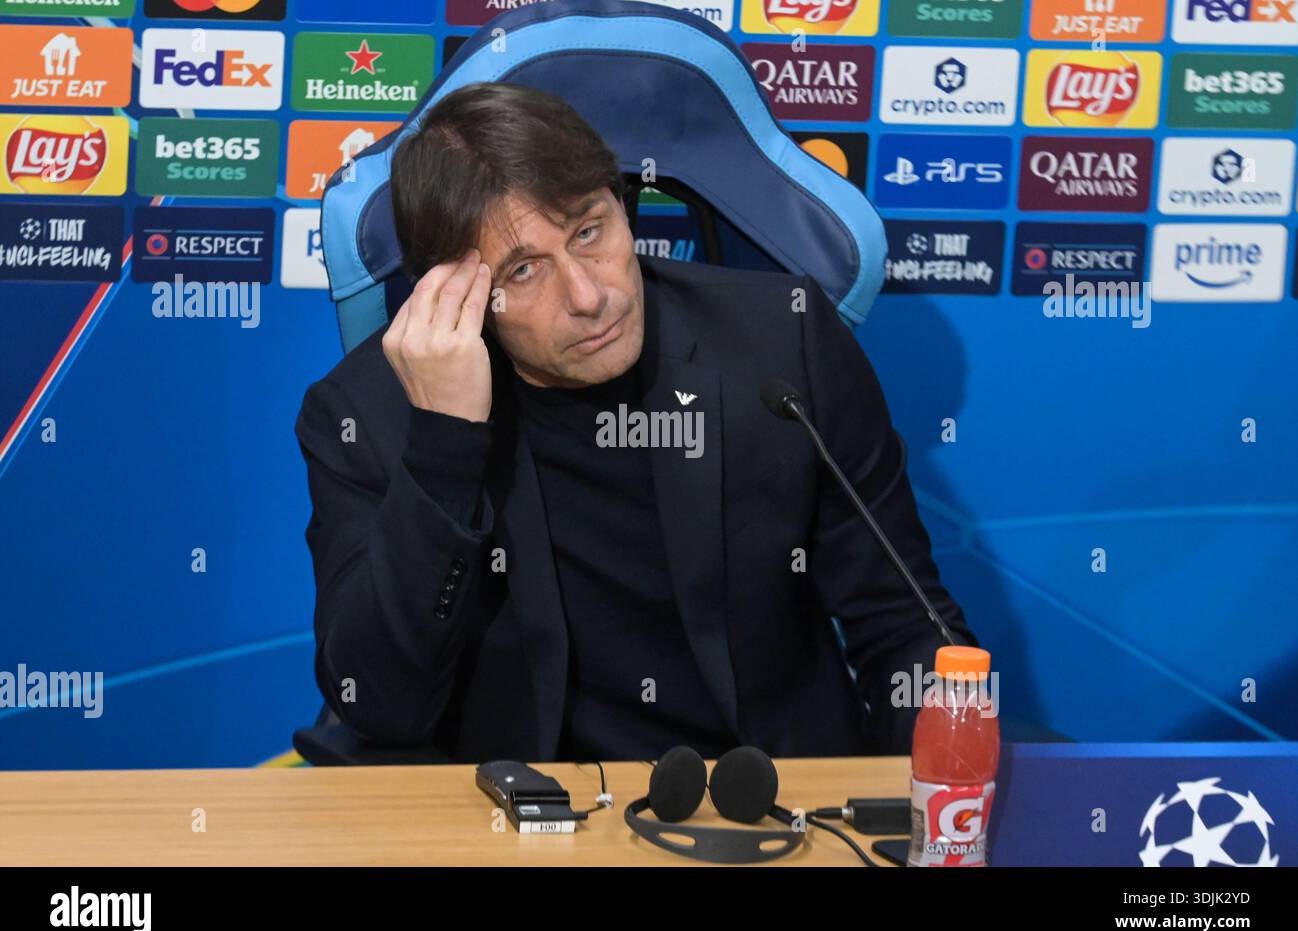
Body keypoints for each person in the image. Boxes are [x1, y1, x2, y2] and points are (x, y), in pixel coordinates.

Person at [295, 81, 976, 762]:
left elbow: (903, 623)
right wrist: (445, 445)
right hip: (517, 821)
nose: (590, 295)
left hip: (769, 802)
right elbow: (376, 707)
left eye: (590, 231)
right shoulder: (364, 418)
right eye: (525, 270)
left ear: (626, 209)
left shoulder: (783, 345)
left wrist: (936, 803)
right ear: (455, 294)